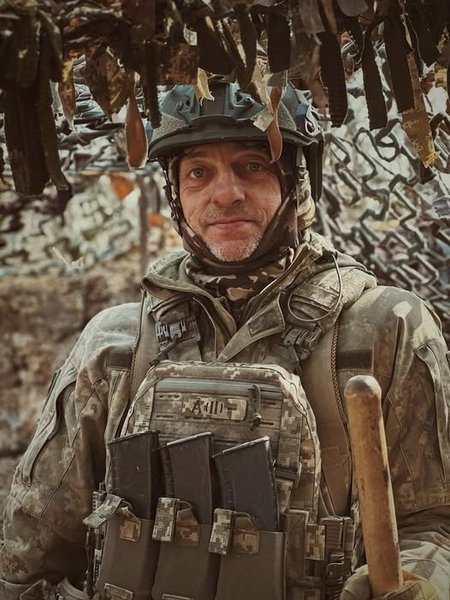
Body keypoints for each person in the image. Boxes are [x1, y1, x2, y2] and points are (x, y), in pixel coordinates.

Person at [1, 79, 449, 600]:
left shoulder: (383, 329)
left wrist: (419, 583)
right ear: (176, 192)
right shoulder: (116, 344)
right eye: (198, 172)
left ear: (298, 180)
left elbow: (434, 522)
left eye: (252, 165)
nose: (226, 193)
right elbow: (33, 552)